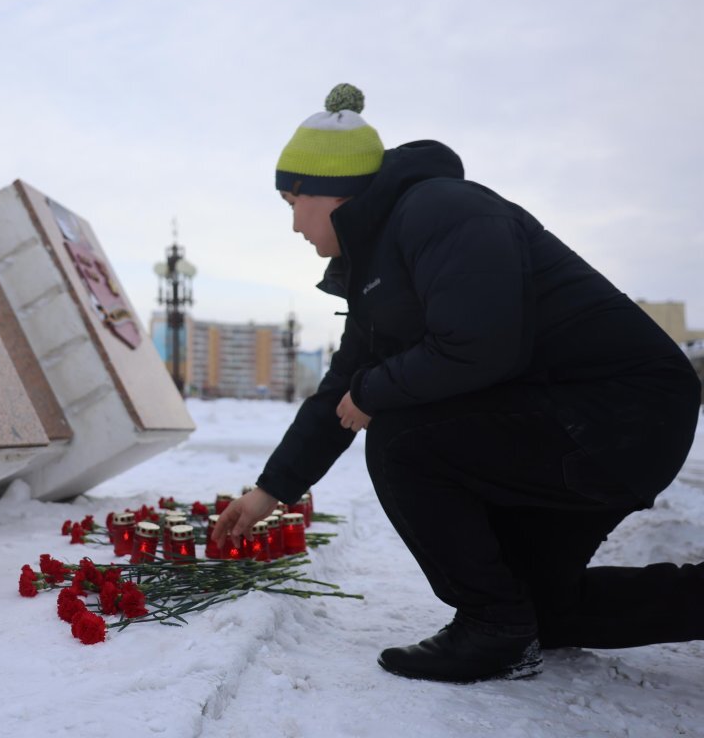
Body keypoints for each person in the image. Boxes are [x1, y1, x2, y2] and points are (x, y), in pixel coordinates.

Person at [213, 84, 702, 683]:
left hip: (618, 414)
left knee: (399, 437)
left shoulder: (440, 210)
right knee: (544, 608)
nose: (293, 225)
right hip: (580, 418)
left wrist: (373, 393)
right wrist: (269, 493)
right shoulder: (377, 270)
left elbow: (482, 344)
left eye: (293, 201)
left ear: (334, 191)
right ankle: (521, 622)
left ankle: (493, 631)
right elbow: (338, 390)